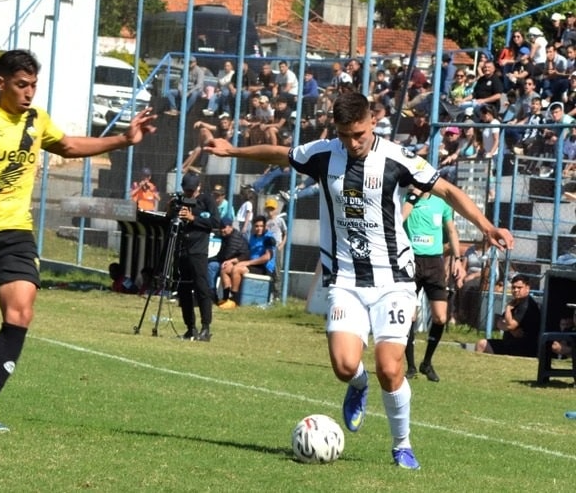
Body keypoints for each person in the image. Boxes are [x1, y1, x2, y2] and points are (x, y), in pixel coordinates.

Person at [206, 92, 514, 470]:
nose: (352, 143)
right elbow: (280, 153)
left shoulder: (397, 158)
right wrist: (233, 151)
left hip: (394, 280)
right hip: (346, 278)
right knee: (344, 365)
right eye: (345, 135)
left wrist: (486, 225)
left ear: (372, 124)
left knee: (390, 368)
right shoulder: (323, 153)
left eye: (359, 134)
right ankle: (357, 385)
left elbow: (447, 190)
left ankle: (402, 444)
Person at [0, 49, 156, 431]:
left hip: (16, 233)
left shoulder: (37, 119)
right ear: (0, 82)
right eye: (21, 85)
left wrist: (123, 139)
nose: (29, 93)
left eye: (33, 85)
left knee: (21, 312)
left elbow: (68, 146)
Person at [402, 188, 464, 382]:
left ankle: (426, 362)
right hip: (411, 260)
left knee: (440, 317)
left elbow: (452, 230)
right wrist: (411, 199)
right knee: (409, 316)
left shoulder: (441, 203)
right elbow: (398, 220)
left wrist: (458, 259)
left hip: (434, 264)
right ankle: (410, 365)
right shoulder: (407, 200)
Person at [167, 172, 220, 340]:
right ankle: (190, 327)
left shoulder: (206, 201)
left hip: (198, 251)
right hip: (182, 250)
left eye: (191, 191)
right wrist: (170, 210)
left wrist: (193, 218)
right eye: (186, 191)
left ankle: (206, 327)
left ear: (198, 188)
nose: (189, 194)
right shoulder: (180, 201)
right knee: (183, 290)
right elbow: (170, 221)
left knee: (201, 288)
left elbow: (216, 222)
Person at [217, 215, 276, 309]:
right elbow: (247, 254)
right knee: (226, 268)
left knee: (237, 269)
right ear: (253, 226)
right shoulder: (253, 237)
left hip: (264, 268)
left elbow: (267, 257)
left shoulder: (268, 238)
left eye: (261, 226)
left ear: (265, 226)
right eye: (256, 226)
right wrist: (231, 261)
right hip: (253, 266)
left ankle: (234, 300)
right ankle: (225, 298)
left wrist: (247, 263)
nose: (259, 228)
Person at [475, 274, 541, 358]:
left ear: (527, 288)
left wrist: (508, 309)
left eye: (519, 287)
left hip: (523, 348)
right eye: (513, 287)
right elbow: (499, 322)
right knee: (481, 344)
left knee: (482, 344)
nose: (516, 290)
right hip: (510, 344)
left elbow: (510, 325)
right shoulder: (515, 302)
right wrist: (511, 330)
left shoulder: (527, 305)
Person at [207, 217, 249, 303]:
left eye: (224, 227)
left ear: (230, 227)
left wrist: (209, 260)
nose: (222, 230)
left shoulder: (234, 237)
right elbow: (222, 255)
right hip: (230, 260)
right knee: (211, 265)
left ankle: (215, 296)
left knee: (213, 266)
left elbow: (226, 256)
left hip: (239, 262)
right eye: (221, 228)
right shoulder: (227, 236)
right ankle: (212, 294)